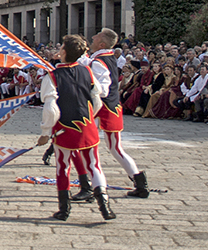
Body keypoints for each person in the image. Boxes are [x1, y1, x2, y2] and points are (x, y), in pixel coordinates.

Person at [37, 35, 115, 222]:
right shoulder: (87, 71)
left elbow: (51, 109)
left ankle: (64, 210)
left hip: (64, 128)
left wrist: (45, 133)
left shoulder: (52, 76)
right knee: (94, 165)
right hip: (87, 126)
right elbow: (97, 100)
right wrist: (89, 118)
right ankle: (105, 207)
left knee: (63, 167)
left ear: (63, 52)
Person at [84, 29, 148, 199]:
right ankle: (139, 182)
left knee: (91, 147)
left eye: (95, 37)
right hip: (112, 107)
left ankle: (94, 186)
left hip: (102, 109)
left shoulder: (99, 61)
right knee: (115, 148)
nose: (92, 38)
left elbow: (102, 89)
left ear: (101, 44)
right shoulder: (106, 57)